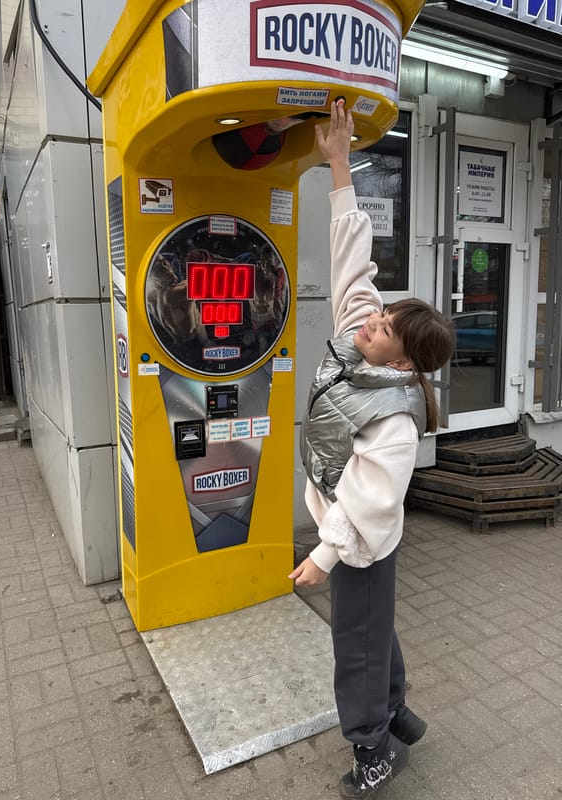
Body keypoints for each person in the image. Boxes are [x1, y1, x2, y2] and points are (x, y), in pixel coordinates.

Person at [289, 100, 455, 799]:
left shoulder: (394, 415)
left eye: (384, 326)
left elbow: (368, 497)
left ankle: (373, 749)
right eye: (378, 315)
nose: (369, 320)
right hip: (356, 533)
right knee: (372, 630)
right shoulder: (365, 346)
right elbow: (353, 262)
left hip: (356, 538)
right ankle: (399, 714)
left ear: (408, 363)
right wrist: (337, 166)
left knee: (354, 643)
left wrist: (323, 554)